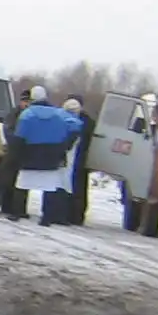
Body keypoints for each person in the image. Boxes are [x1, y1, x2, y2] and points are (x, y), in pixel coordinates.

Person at [14, 86, 85, 224]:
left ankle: (17, 212)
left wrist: (17, 154)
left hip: (30, 154)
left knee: (22, 184)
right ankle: (46, 218)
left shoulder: (27, 114)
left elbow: (19, 136)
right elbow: (69, 130)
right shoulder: (57, 115)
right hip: (51, 155)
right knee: (49, 187)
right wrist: (62, 149)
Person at [63, 96, 96, 225]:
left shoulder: (65, 118)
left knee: (72, 186)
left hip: (76, 158)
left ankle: (71, 214)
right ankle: (77, 215)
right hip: (81, 159)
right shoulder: (89, 122)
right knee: (79, 187)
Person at [0, 96, 29, 219]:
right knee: (8, 179)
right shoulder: (14, 114)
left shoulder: (28, 114)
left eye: (29, 102)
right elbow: (7, 130)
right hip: (12, 150)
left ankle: (19, 208)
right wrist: (15, 142)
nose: (27, 104)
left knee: (22, 181)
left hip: (23, 151)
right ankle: (6, 205)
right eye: (25, 101)